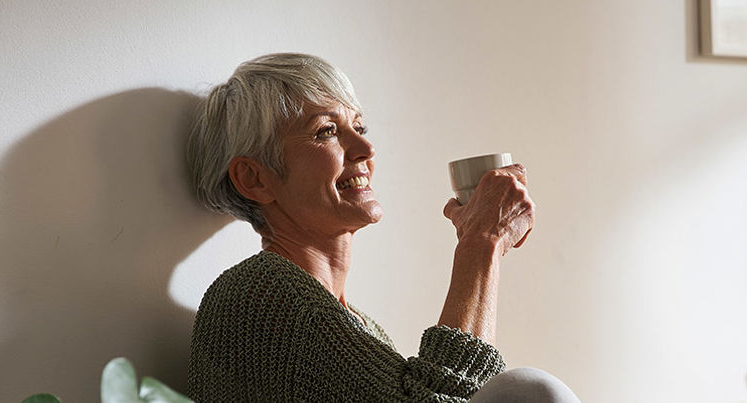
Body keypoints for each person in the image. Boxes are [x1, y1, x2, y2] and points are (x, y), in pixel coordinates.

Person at [185, 53, 578, 402]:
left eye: (360, 127)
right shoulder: (257, 294)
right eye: (326, 131)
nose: (366, 149)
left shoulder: (359, 324)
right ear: (254, 179)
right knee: (532, 390)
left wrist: (482, 240)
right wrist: (482, 242)